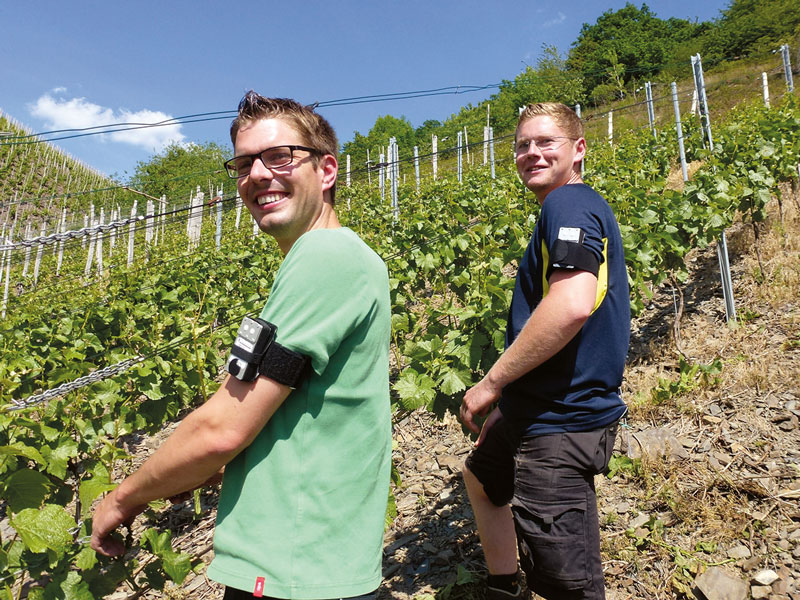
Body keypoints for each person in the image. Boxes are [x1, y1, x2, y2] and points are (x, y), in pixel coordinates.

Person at [91, 92, 392, 600]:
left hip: (292, 569)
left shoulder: (325, 256)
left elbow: (223, 429)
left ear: (327, 170)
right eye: (244, 162)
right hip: (311, 561)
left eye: (280, 157)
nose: (257, 174)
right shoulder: (338, 259)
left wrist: (121, 500)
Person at [459, 102, 630, 600]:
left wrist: (492, 383)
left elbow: (572, 304)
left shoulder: (569, 206)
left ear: (578, 150)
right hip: (537, 409)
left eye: (545, 141)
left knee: (564, 582)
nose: (531, 152)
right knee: (482, 475)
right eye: (522, 145)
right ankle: (504, 584)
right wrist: (510, 407)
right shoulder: (567, 209)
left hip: (562, 421)